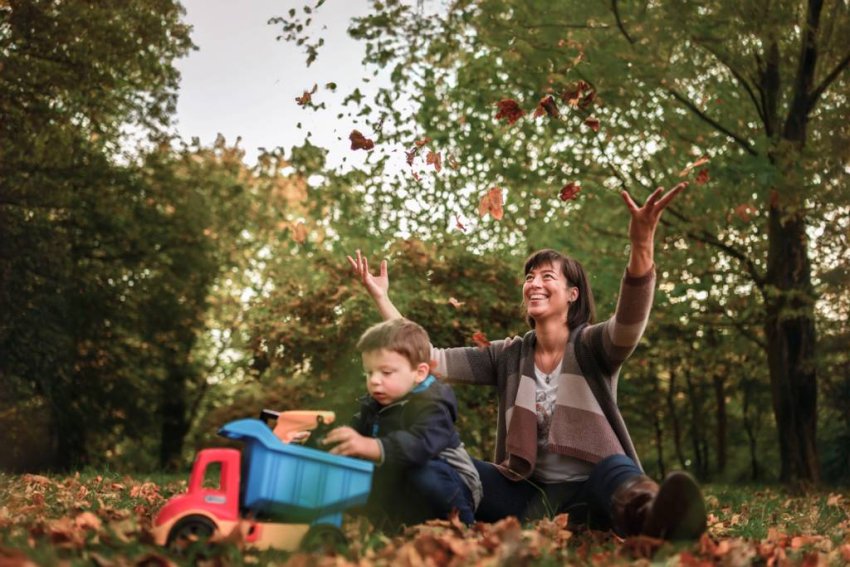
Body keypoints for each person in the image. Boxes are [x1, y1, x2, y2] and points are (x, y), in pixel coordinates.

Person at [346, 183, 707, 540]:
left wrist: (642, 244)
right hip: (525, 497)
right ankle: (435, 524)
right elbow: (424, 359)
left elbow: (629, 322)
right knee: (449, 463)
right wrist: (382, 299)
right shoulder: (507, 356)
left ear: (572, 294)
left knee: (616, 468)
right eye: (529, 277)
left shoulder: (592, 346)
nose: (534, 283)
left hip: (591, 492)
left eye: (547, 276)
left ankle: (659, 521)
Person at [323, 317, 482, 528]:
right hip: (400, 477)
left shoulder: (435, 401)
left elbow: (422, 444)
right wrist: (323, 439)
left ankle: (464, 528)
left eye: (386, 372)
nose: (374, 380)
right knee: (357, 473)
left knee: (422, 473)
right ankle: (391, 527)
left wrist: (372, 446)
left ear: (419, 373)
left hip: (452, 482)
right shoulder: (374, 404)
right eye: (369, 372)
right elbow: (352, 434)